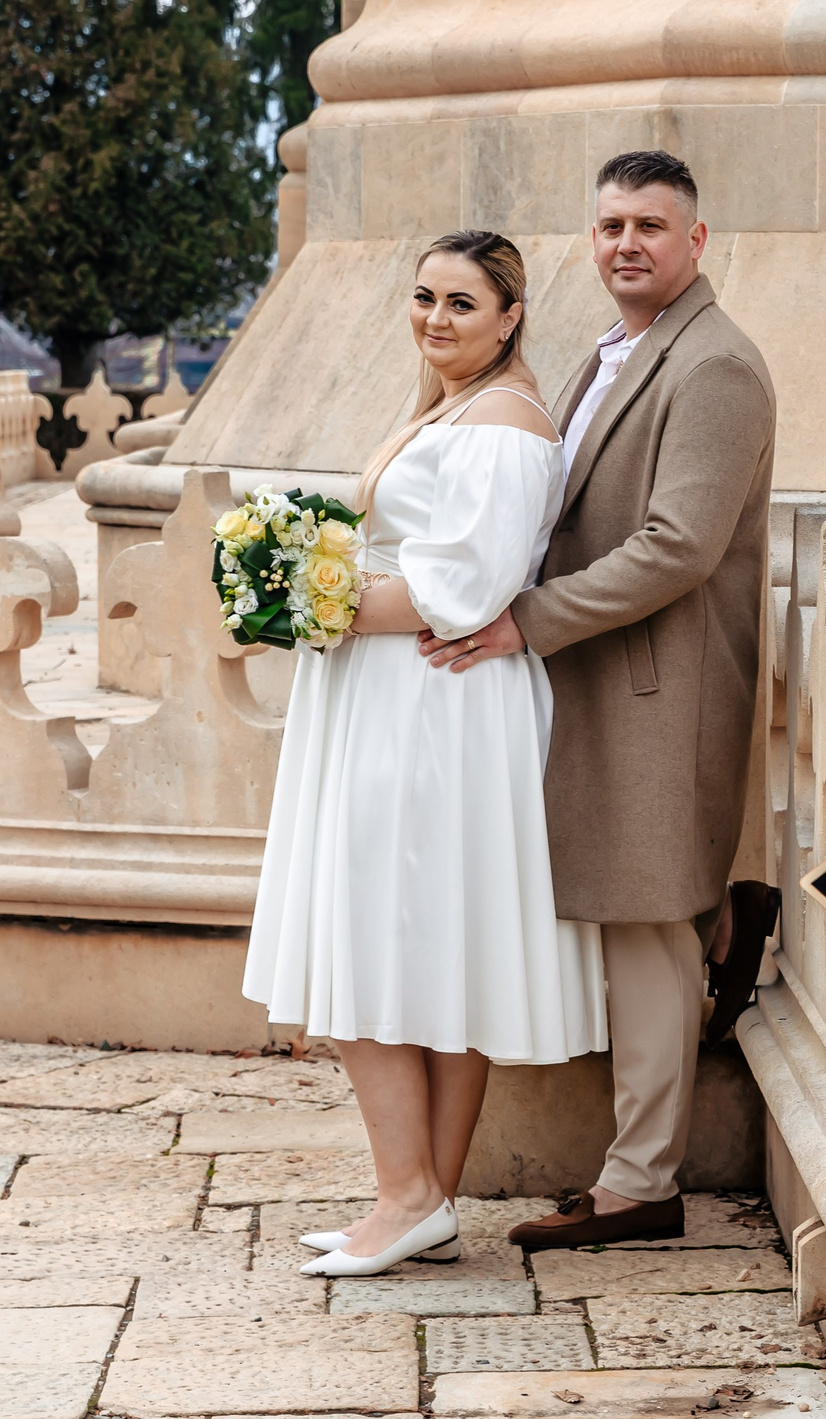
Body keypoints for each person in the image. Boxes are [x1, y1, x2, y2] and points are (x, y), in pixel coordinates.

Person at [420, 150, 777, 1247]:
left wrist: (525, 618)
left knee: (649, 931)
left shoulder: (713, 364)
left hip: (658, 685)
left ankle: (640, 1184)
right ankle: (636, 1157)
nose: (627, 243)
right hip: (600, 682)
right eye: (611, 224)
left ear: (696, 241)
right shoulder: (612, 354)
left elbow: (677, 546)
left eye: (651, 226)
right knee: (638, 920)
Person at [243, 230, 607, 1278]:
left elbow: (466, 586)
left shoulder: (500, 424)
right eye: (425, 297)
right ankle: (425, 1202)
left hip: (432, 704)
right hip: (411, 696)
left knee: (372, 931)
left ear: (510, 318)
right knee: (433, 946)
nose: (437, 318)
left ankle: (403, 1195)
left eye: (462, 303)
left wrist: (309, 602)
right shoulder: (452, 410)